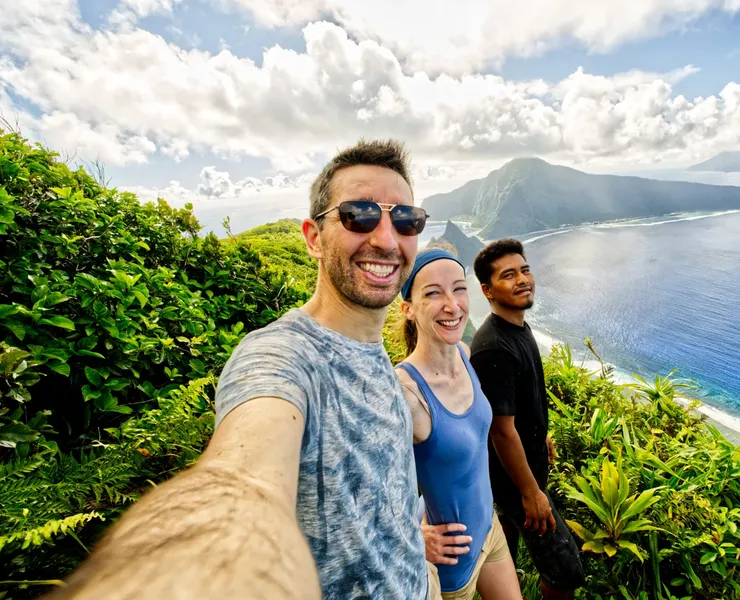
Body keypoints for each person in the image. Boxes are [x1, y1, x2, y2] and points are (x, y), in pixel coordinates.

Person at [45, 139, 432, 600]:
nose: (387, 240)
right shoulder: (281, 355)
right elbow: (243, 478)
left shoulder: (374, 354)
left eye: (406, 220)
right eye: (358, 215)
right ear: (312, 237)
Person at [395, 246, 522, 600]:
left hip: (489, 531)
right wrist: (410, 536)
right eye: (433, 293)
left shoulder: (465, 355)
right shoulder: (405, 394)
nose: (452, 305)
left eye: (458, 288)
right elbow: (361, 489)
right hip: (451, 566)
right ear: (408, 309)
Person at [469, 239, 585, 600]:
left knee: (508, 542)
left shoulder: (517, 326)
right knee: (566, 573)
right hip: (518, 483)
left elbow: (516, 405)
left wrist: (540, 435)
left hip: (520, 474)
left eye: (525, 270)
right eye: (509, 275)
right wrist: (531, 493)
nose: (522, 280)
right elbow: (501, 431)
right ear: (487, 290)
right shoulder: (494, 348)